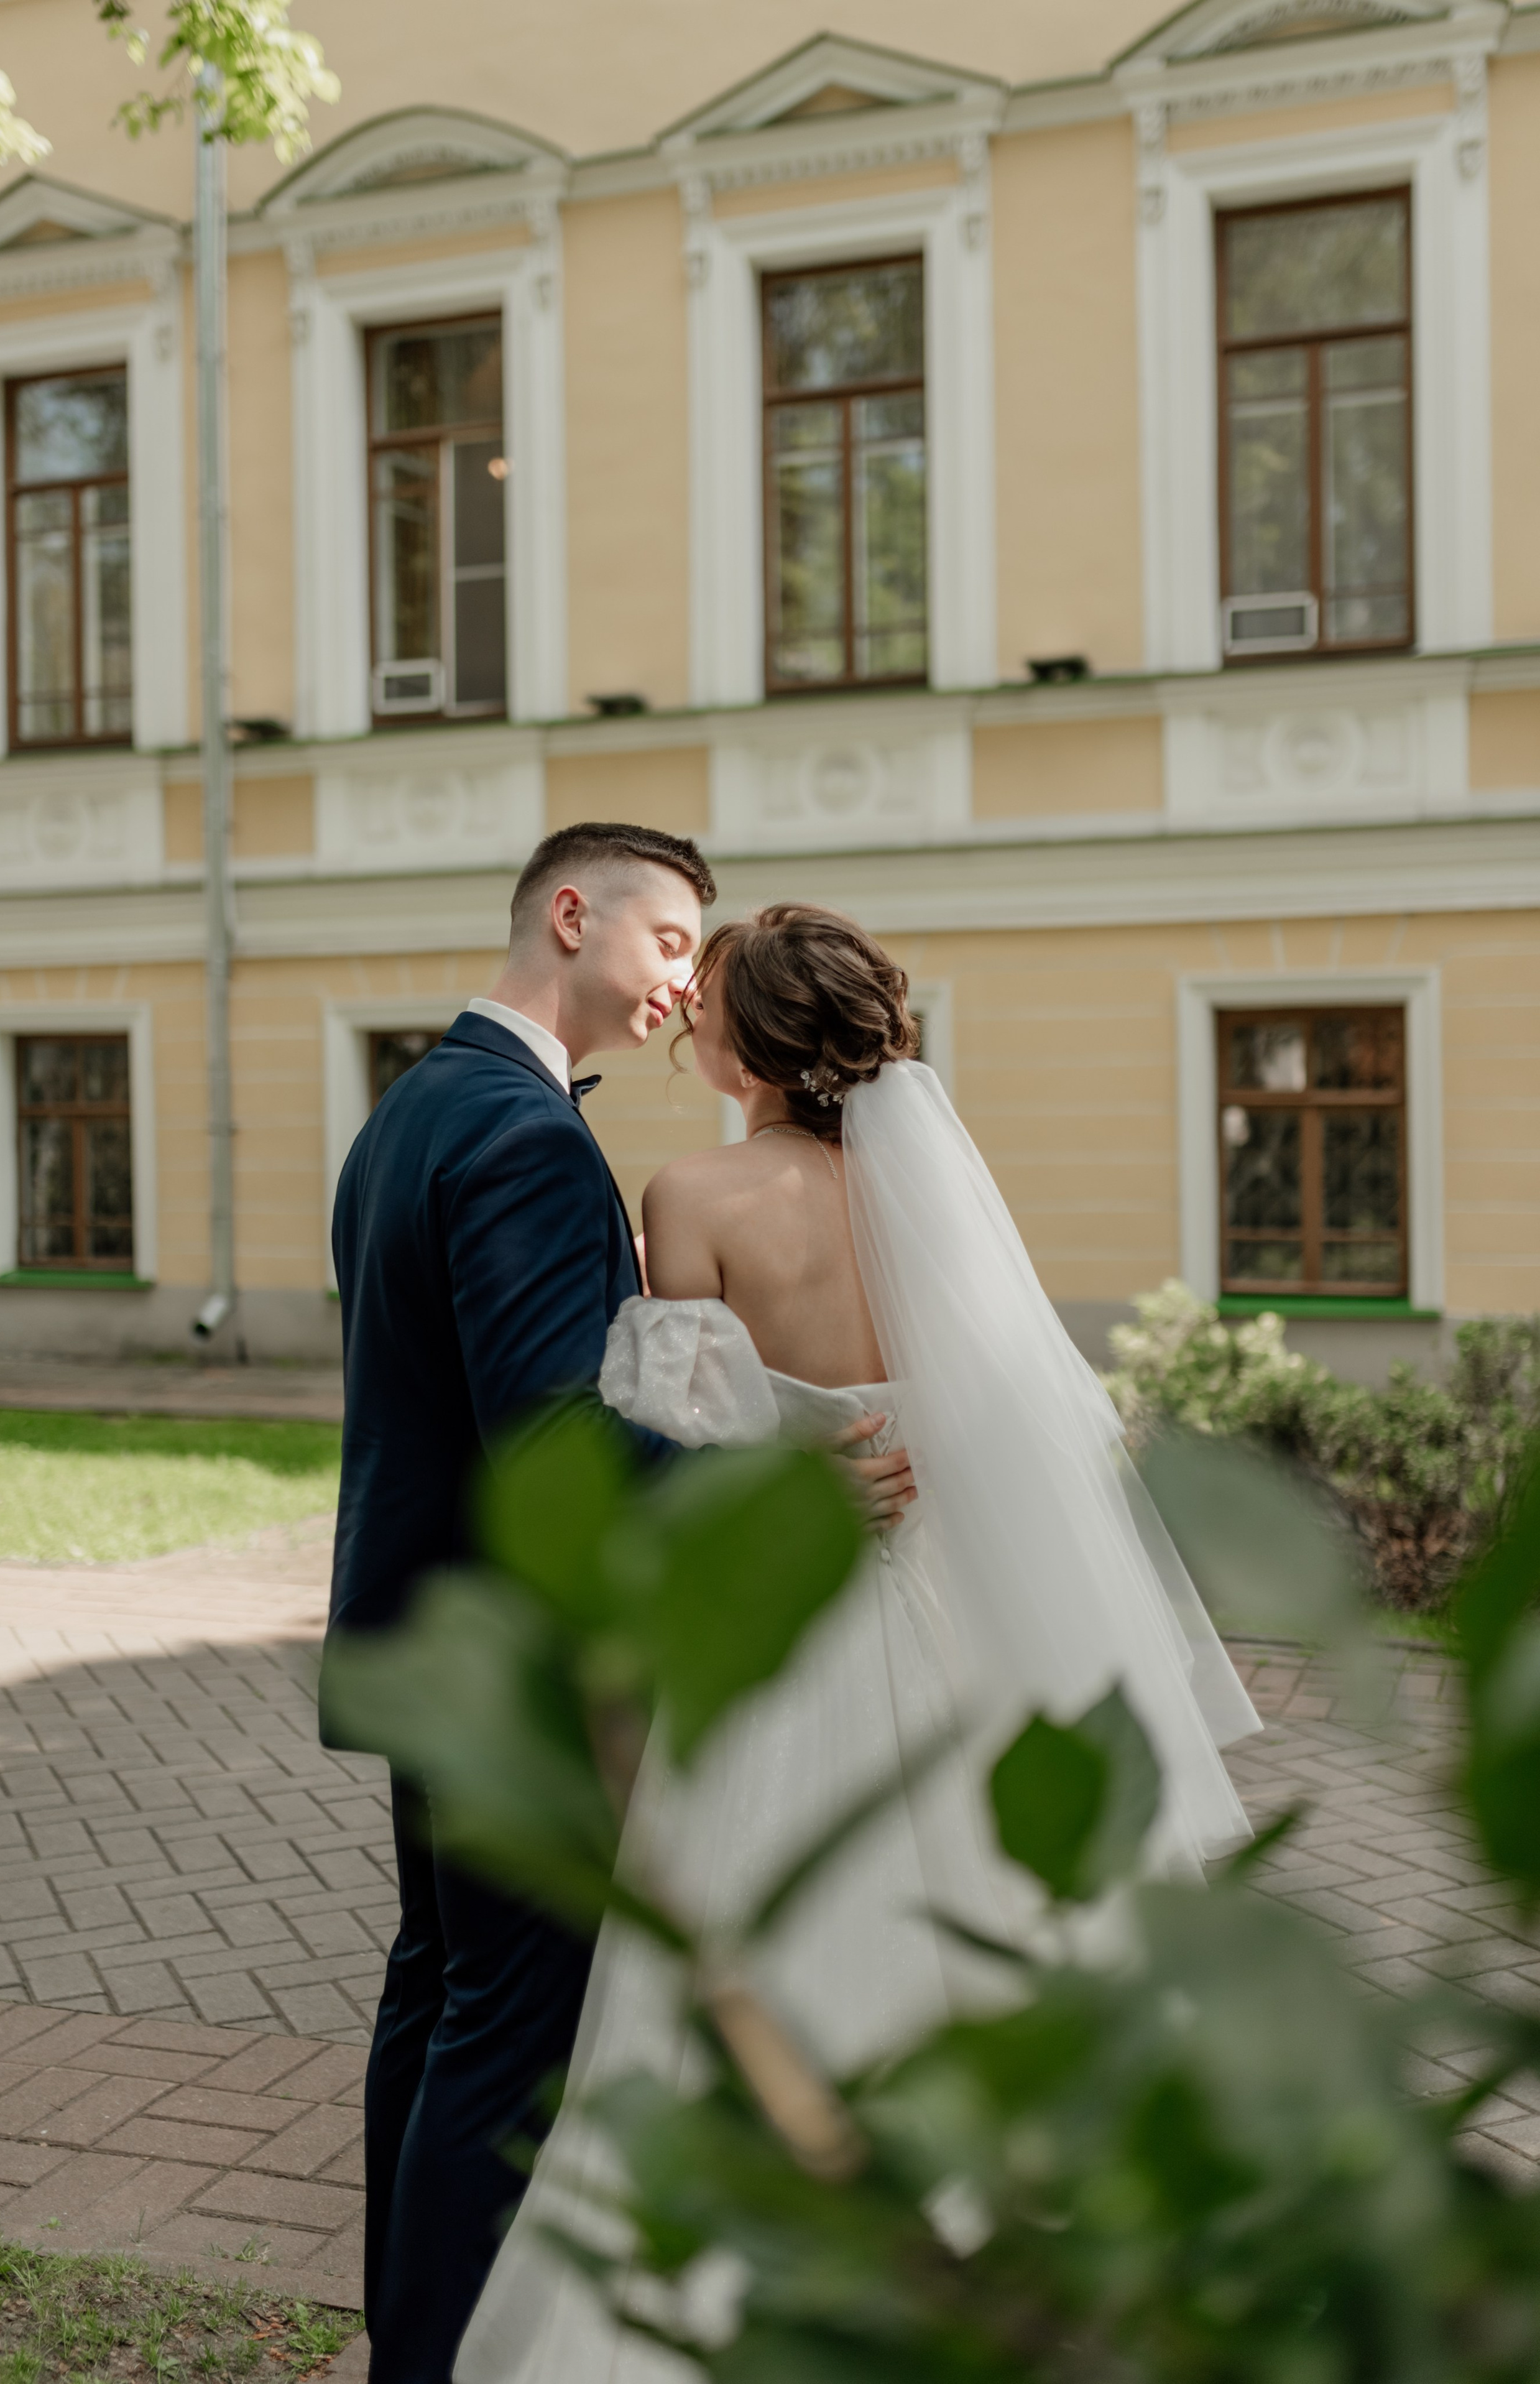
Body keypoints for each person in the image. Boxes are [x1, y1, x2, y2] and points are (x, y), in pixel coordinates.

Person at [456, 901, 1261, 2384]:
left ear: (749, 1038)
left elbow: (677, 1437)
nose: (686, 1015)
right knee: (992, 1905)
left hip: (798, 1615)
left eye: (707, 1002)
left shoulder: (686, 1194)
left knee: (758, 1904)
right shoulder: (929, 1200)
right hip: (962, 1604)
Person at [326, 837, 915, 2384]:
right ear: (571, 917)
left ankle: (410, 2335)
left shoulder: (413, 1106)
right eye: (669, 939)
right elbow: (558, 1435)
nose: (678, 981)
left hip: (426, 1641)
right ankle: (439, 2358)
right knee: (504, 2034)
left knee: (437, 1997)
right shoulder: (522, 1136)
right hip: (515, 1657)